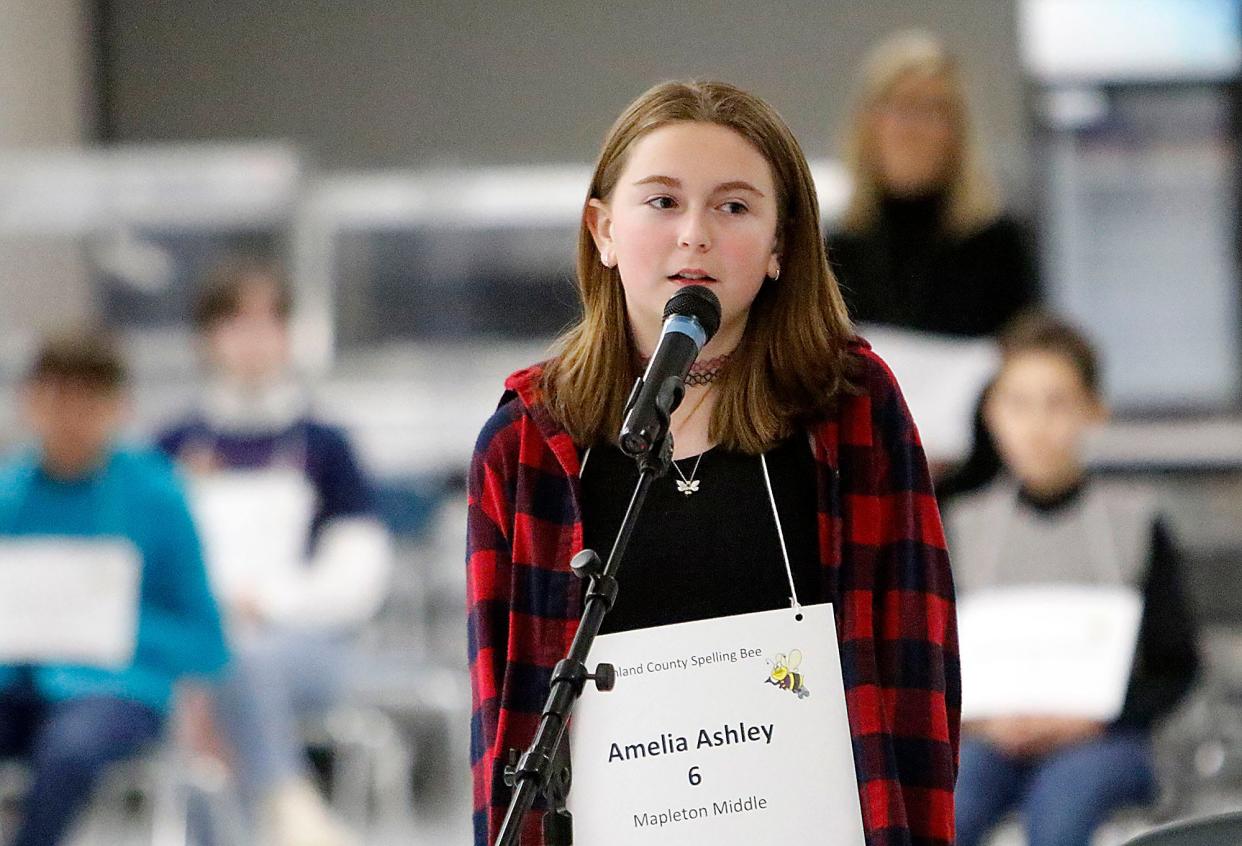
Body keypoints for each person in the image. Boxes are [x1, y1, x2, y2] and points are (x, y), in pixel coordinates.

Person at [467, 80, 959, 846]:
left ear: (779, 247)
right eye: (661, 202)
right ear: (601, 230)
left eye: (733, 207)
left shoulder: (852, 408)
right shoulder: (526, 443)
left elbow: (916, 682)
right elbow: (506, 723)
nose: (693, 234)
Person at [158, 260, 392, 846]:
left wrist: (268, 603)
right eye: (236, 325)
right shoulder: (170, 448)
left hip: (305, 644)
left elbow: (359, 572)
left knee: (244, 661)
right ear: (207, 338)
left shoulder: (325, 447)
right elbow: (150, 563)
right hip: (198, 643)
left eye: (267, 324)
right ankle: (282, 811)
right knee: (211, 670)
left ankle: (279, 809)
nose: (252, 342)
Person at [946, 313, 1199, 846]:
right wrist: (982, 721)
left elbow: (1176, 663)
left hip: (1104, 740)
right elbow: (931, 657)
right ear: (991, 412)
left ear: (1093, 411)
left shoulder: (1136, 521)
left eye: (1057, 403)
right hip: (988, 739)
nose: (1036, 425)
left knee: (1061, 809)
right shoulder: (960, 526)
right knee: (948, 806)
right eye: (1018, 404)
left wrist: (1095, 717)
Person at [0, 328, 229, 846]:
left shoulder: (156, 496)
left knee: (68, 750)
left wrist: (112, 629)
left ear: (117, 408)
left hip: (117, 691)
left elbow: (207, 641)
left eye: (88, 402)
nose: (71, 418)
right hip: (16, 681)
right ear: (31, 403)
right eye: (58, 399)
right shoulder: (9, 494)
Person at [828, 31, 1038, 337]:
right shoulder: (835, 252)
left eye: (933, 110)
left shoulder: (999, 245)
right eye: (901, 107)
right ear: (868, 125)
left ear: (959, 133)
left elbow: (1026, 356)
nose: (913, 130)